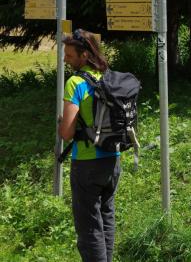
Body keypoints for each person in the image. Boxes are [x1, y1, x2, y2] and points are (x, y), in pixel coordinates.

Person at [58, 29, 121, 262]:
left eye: (70, 55)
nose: (65, 59)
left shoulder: (75, 83)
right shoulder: (107, 77)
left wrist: (59, 125)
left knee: (88, 227)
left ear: (84, 55)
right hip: (112, 159)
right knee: (106, 218)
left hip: (86, 163)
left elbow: (66, 133)